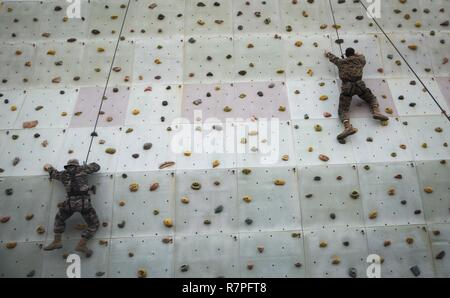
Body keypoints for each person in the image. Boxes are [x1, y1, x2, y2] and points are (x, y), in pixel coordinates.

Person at [325, 48, 389, 143]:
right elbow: (362, 56)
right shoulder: (360, 60)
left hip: (347, 87)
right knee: (371, 98)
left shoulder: (340, 62)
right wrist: (356, 54)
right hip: (359, 85)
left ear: (346, 55)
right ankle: (376, 112)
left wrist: (328, 53)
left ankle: (348, 127)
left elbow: (333, 58)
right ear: (353, 54)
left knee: (343, 109)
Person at [43, 159, 101, 257]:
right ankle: (82, 244)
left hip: (69, 203)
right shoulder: (83, 169)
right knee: (93, 224)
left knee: (59, 218)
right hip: (84, 203)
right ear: (76, 165)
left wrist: (49, 167)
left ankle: (57, 241)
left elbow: (53, 173)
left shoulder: (63, 174)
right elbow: (97, 167)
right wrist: (86, 166)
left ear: (68, 165)